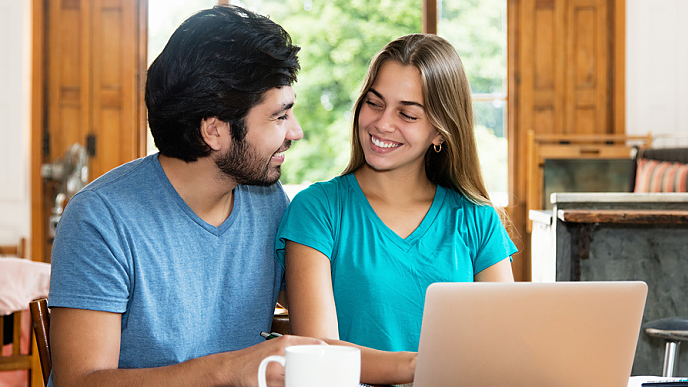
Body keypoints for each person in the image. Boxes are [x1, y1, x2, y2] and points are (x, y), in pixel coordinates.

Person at [47, 5, 323, 387]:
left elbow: (320, 302)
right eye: (279, 116)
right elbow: (80, 381)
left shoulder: (268, 200)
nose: (296, 132)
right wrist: (232, 368)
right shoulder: (100, 218)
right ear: (214, 130)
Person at [275, 33, 518, 385]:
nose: (382, 123)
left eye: (406, 113)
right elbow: (319, 350)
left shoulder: (476, 218)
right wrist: (420, 366)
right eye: (375, 103)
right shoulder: (318, 210)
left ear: (440, 131)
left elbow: (504, 345)